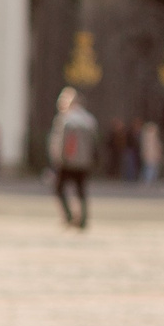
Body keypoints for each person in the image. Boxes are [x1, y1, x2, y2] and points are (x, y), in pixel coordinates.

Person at [49, 86, 98, 232]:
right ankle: (82, 219)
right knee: (81, 190)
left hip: (67, 161)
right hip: (84, 162)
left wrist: (58, 158)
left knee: (59, 189)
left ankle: (69, 216)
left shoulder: (65, 119)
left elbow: (61, 142)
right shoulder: (89, 119)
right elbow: (95, 143)